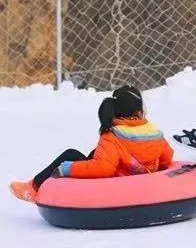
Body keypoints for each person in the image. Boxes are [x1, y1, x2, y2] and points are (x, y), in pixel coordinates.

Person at [9, 85, 174, 203]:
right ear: (139, 111)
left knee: (71, 154)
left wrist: (68, 168)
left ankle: (33, 187)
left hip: (116, 182)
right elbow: (167, 158)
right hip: (140, 177)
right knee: (97, 152)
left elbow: (104, 168)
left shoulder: (113, 134)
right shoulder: (154, 133)